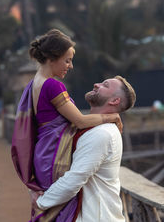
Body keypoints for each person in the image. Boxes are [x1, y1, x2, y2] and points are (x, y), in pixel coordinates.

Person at [11, 29, 122, 222]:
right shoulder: (52, 85)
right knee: (63, 211)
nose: (70, 66)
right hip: (54, 157)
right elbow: (79, 120)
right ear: (52, 58)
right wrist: (111, 117)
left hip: (43, 156)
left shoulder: (33, 84)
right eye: (67, 60)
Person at [34, 76, 136, 222]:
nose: (96, 84)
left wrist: (41, 203)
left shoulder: (102, 133)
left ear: (114, 101)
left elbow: (75, 178)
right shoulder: (93, 128)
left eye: (105, 85)